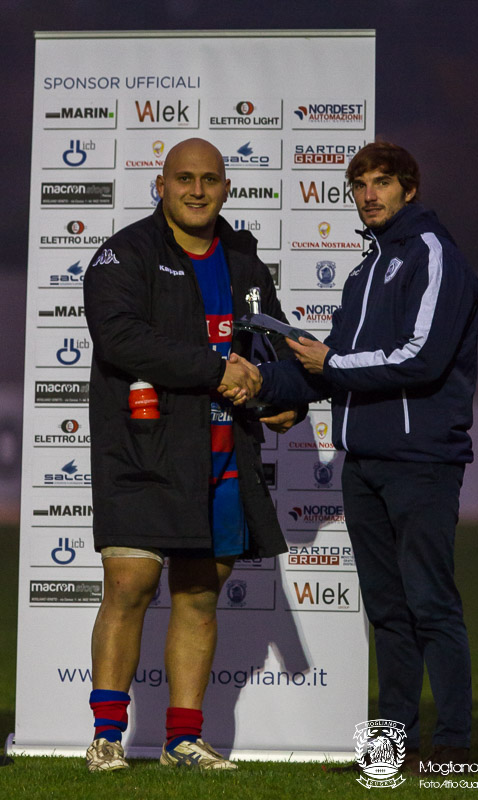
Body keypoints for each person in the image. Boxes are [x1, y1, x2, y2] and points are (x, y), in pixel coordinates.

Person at [238, 141, 478, 772]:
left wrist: (331, 364)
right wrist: (274, 392)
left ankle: (454, 743)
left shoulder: (435, 255)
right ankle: (389, 754)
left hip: (422, 462)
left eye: (382, 182)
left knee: (430, 603)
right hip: (364, 464)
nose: (369, 194)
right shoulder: (363, 270)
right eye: (359, 185)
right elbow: (329, 366)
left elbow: (421, 357)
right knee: (388, 611)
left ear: (410, 188)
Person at [83, 137, 300, 773]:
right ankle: (105, 736)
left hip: (224, 447)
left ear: (226, 187)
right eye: (184, 178)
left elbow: (273, 344)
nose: (197, 190)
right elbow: (119, 336)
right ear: (162, 185)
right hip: (145, 449)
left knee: (201, 591)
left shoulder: (242, 257)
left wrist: (286, 398)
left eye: (209, 179)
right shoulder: (126, 252)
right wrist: (214, 370)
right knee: (130, 583)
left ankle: (183, 738)